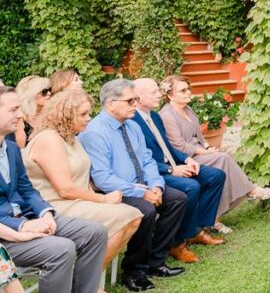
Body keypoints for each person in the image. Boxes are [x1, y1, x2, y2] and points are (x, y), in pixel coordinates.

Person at [79, 79, 188, 292]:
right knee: (145, 210)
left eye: (136, 99)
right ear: (111, 103)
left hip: (143, 185)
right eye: (130, 100)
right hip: (116, 191)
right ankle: (133, 270)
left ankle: (155, 261)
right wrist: (142, 191)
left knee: (177, 199)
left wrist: (156, 186)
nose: (135, 105)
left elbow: (146, 159)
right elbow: (102, 177)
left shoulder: (133, 125)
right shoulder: (95, 132)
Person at [0, 86, 107, 293]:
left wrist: (46, 213)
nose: (21, 115)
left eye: (20, 108)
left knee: (95, 232)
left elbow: (27, 189)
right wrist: (22, 226)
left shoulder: (11, 148)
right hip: (5, 235)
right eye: (14, 109)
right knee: (61, 249)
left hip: (29, 217)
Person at [24, 90, 143, 273]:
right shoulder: (49, 139)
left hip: (76, 200)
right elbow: (65, 189)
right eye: (83, 114)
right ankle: (87, 281)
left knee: (133, 215)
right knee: (129, 216)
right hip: (53, 205)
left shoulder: (71, 137)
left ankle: (86, 277)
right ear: (65, 115)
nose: (89, 118)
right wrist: (103, 199)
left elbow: (81, 177)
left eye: (89, 113)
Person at [159, 76, 270, 229]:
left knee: (223, 166)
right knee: (224, 158)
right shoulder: (167, 115)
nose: (188, 92)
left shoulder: (188, 109)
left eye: (188, 88)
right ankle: (251, 190)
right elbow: (178, 146)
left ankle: (215, 218)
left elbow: (199, 135)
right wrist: (204, 152)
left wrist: (207, 147)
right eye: (183, 90)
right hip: (186, 159)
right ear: (170, 95)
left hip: (200, 153)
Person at [132, 79, 226, 257]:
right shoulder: (133, 121)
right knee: (191, 187)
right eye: (153, 92)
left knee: (215, 176)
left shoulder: (154, 116)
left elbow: (167, 146)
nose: (159, 95)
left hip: (172, 165)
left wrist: (186, 159)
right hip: (154, 173)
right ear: (138, 97)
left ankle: (194, 230)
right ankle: (177, 242)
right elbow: (139, 159)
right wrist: (170, 170)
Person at [14, 77, 51, 148]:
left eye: (50, 90)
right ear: (31, 94)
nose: (49, 93)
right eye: (44, 91)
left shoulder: (51, 116)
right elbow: (20, 149)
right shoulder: (19, 119)